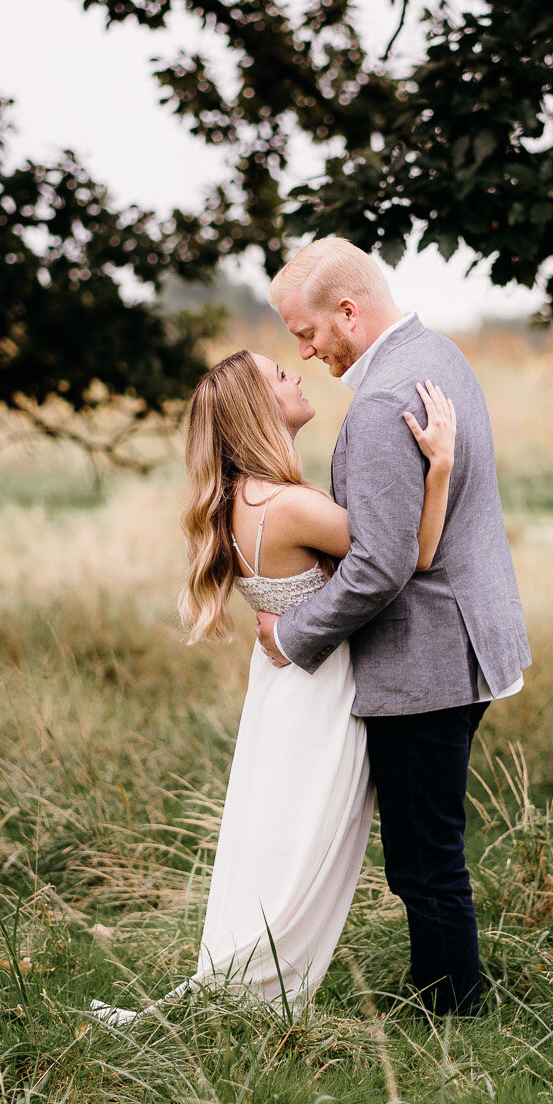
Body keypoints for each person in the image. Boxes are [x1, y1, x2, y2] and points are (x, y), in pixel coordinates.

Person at [89, 346, 457, 1023]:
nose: (294, 373)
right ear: (258, 409)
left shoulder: (242, 500)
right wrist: (439, 467)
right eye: (277, 375)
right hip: (317, 692)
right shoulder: (286, 505)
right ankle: (250, 991)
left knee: (278, 839)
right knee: (304, 849)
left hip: (284, 689)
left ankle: (241, 985)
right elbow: (409, 557)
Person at [257, 236, 531, 1018]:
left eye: (306, 332)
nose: (302, 351)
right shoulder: (438, 353)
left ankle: (453, 1016)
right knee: (431, 845)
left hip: (426, 661)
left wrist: (293, 634)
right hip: (471, 640)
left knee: (424, 860)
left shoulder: (381, 405)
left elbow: (379, 566)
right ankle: (450, 1000)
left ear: (348, 309)